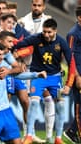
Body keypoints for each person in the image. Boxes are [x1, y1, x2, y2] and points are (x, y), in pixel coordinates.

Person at [15, 18, 75, 144]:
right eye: (44, 32)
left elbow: (71, 63)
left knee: (60, 105)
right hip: (38, 77)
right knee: (34, 103)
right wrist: (15, 55)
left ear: (55, 31)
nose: (46, 35)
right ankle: (29, 136)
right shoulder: (37, 38)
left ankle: (58, 138)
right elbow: (18, 44)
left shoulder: (61, 42)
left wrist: (69, 84)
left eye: (49, 32)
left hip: (55, 79)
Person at [18, 0, 52, 142]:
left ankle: (50, 136)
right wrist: (19, 61)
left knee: (49, 99)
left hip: (44, 67)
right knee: (28, 102)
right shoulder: (22, 22)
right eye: (34, 5)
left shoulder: (49, 20)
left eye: (39, 5)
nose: (36, 7)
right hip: (28, 66)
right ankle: (28, 134)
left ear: (44, 6)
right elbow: (17, 43)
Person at [64, 5, 81, 143]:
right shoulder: (73, 34)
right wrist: (76, 76)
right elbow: (70, 57)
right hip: (78, 74)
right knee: (80, 106)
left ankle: (71, 130)